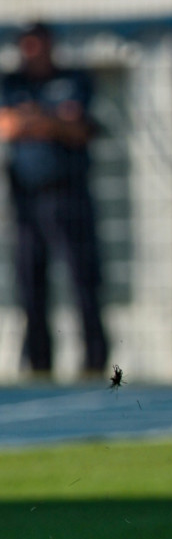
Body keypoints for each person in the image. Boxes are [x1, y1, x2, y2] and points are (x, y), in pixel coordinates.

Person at [0, 22, 108, 376]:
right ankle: (39, 365)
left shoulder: (74, 78)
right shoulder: (11, 83)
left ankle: (95, 363)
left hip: (70, 195)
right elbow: (8, 126)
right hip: (28, 200)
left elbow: (80, 130)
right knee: (31, 285)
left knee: (83, 282)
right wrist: (50, 121)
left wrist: (37, 121)